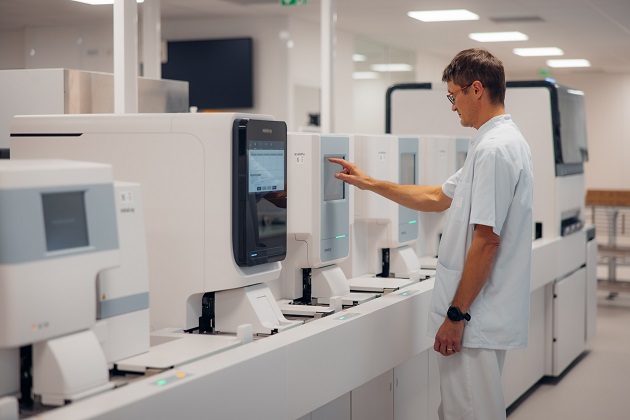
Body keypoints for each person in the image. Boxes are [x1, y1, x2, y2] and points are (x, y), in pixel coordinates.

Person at [330, 48, 533, 420]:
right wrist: (368, 182)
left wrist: (456, 317)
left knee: (469, 413)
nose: (452, 106)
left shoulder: (494, 150)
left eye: (453, 96)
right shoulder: (494, 144)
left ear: (476, 89)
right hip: (479, 315)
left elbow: (487, 241)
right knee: (461, 409)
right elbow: (437, 196)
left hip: (474, 318)